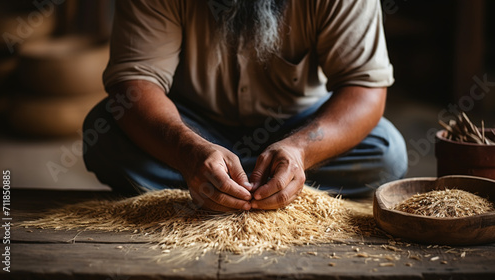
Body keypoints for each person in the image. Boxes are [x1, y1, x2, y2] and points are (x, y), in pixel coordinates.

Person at [83, 0, 408, 212]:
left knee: (386, 152)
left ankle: (233, 182)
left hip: (299, 127)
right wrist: (188, 152)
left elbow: (364, 89)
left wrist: (300, 152)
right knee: (103, 134)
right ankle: (237, 179)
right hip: (190, 126)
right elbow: (134, 87)